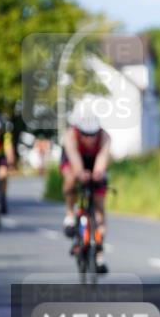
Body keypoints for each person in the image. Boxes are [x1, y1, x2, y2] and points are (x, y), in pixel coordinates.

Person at [61, 104, 111, 273]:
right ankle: (69, 215)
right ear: (78, 130)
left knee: (99, 207)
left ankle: (99, 255)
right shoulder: (70, 135)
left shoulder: (104, 137)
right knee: (70, 178)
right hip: (75, 159)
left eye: (93, 134)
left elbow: (102, 160)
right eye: (85, 134)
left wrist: (97, 174)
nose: (89, 139)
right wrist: (81, 174)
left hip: (94, 161)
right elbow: (74, 158)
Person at [0, 118, 16, 214]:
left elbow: (9, 150)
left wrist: (10, 162)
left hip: (2, 158)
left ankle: (3, 197)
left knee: (3, 175)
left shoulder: (5, 136)